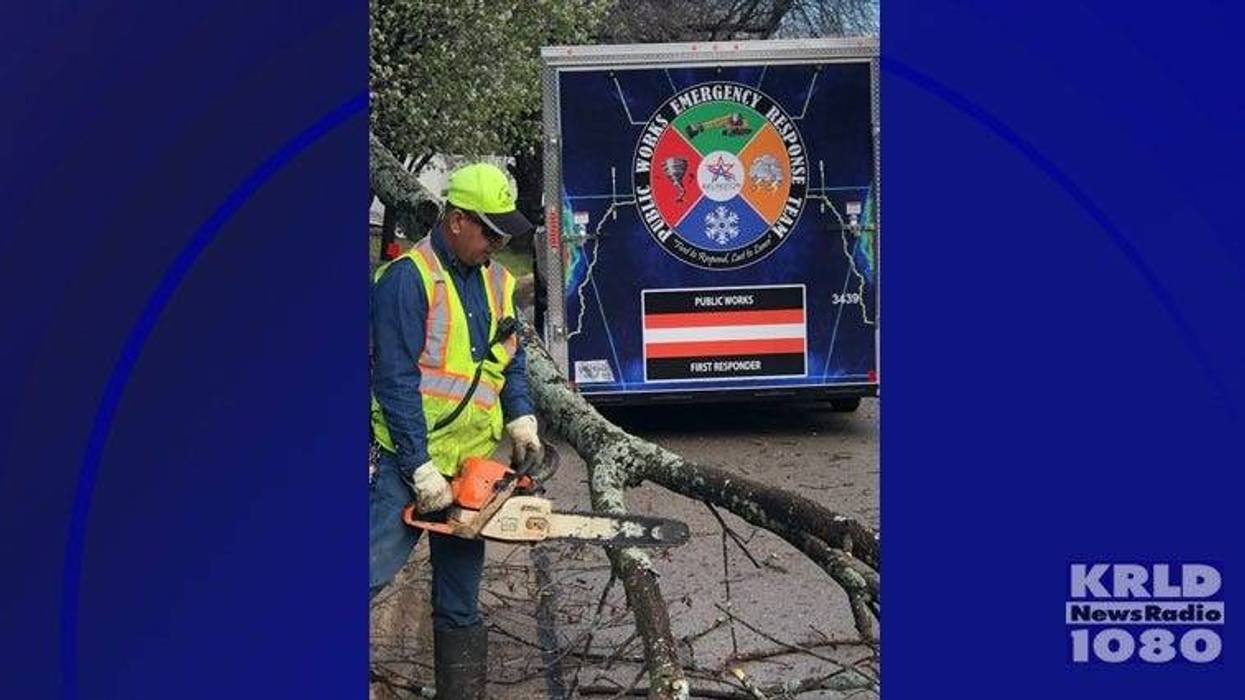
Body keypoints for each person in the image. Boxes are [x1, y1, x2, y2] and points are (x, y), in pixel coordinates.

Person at [369, 162, 543, 699]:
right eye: (489, 231)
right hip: (409, 465)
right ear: (456, 221)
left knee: (461, 602)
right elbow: (395, 380)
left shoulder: (496, 281)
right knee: (364, 573)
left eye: (501, 233)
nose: (496, 242)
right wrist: (419, 467)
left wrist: (521, 417)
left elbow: (509, 359)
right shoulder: (408, 280)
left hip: (472, 471)